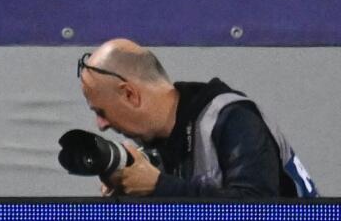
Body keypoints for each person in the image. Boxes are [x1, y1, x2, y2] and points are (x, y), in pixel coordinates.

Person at [78, 38, 317, 198]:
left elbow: (258, 210)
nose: (101, 125)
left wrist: (160, 186)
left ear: (130, 94)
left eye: (101, 112)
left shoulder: (232, 118)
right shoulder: (154, 147)